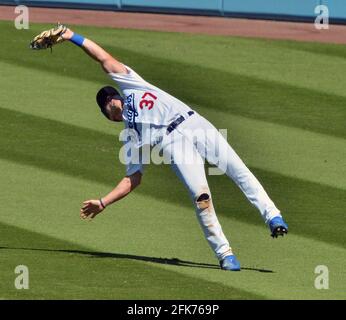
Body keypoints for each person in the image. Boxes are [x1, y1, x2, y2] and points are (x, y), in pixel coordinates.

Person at [32, 25, 288, 271]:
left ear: (109, 104)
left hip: (194, 122)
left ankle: (272, 216)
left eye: (105, 113)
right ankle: (225, 254)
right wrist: (103, 202)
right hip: (173, 144)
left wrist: (71, 35)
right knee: (202, 198)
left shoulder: (132, 84)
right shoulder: (130, 136)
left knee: (237, 169)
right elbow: (133, 178)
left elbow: (103, 59)